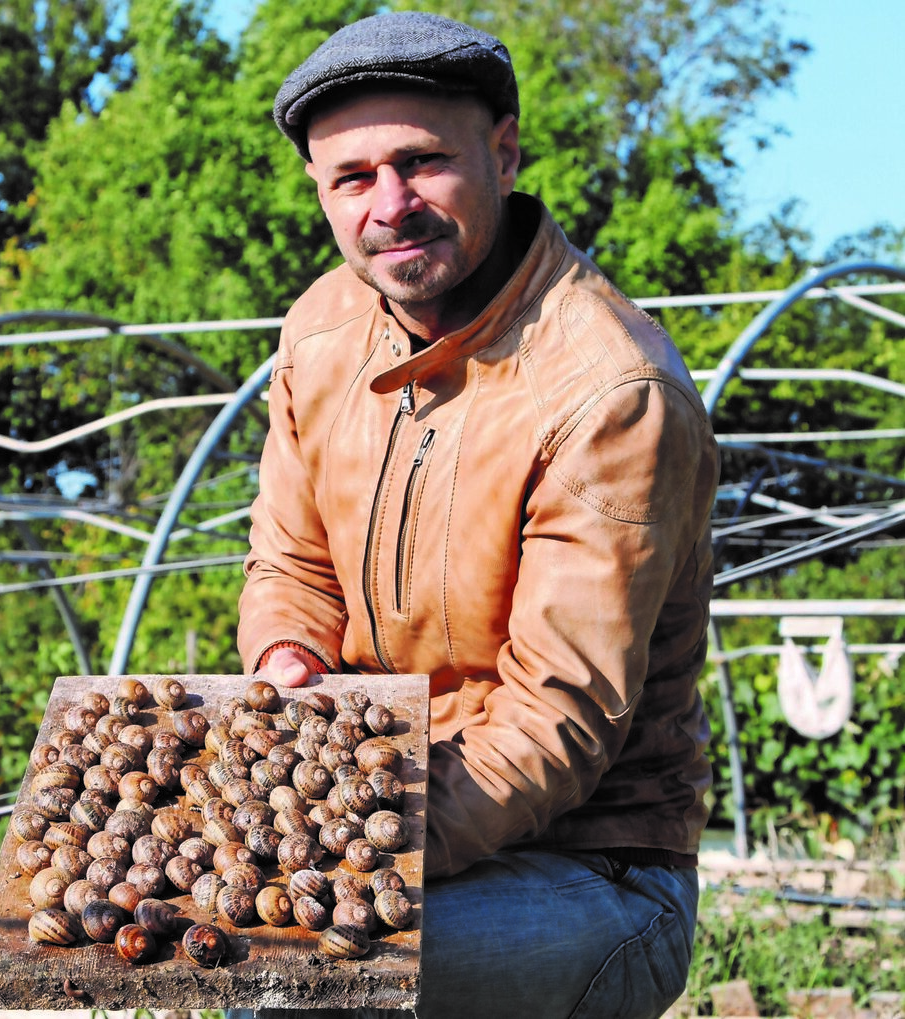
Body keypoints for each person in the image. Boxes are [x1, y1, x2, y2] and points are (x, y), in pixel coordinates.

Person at [234, 11, 719, 1019]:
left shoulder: (606, 389)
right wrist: (285, 662)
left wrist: (348, 839)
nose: (390, 205)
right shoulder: (322, 333)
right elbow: (292, 567)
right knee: (200, 945)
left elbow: (556, 720)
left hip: (590, 871)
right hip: (383, 815)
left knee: (294, 979)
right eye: (352, 177)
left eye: (421, 162)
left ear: (501, 152)